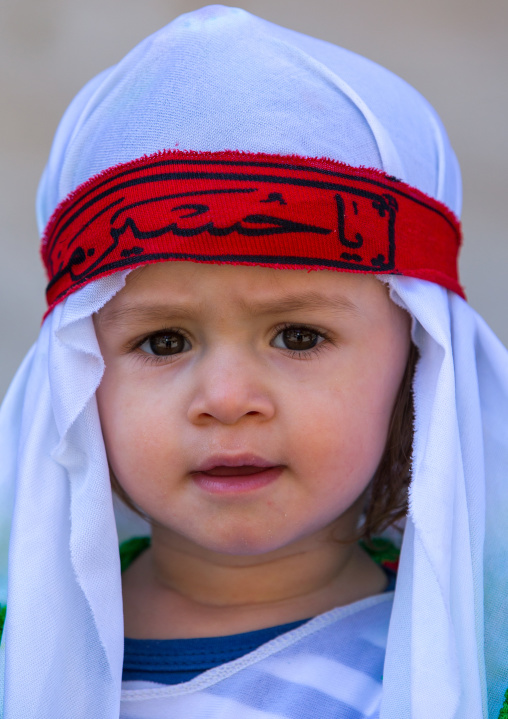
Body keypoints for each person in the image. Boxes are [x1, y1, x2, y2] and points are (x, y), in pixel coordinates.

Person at [0, 5, 507, 719]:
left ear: (417, 366)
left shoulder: (460, 672)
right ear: (75, 376)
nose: (229, 397)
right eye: (164, 340)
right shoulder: (13, 645)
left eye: (298, 336)